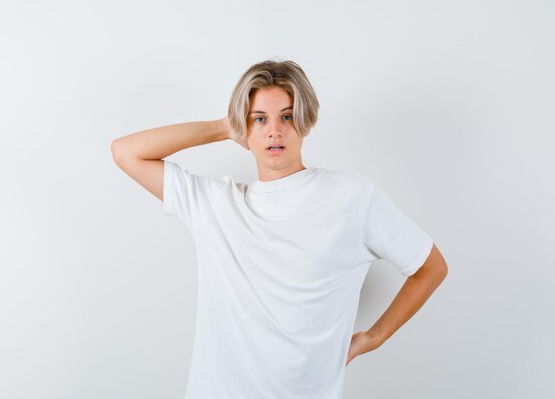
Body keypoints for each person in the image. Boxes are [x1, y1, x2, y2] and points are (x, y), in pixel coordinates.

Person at [111, 59, 448, 399]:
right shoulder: (216, 205)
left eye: (287, 116)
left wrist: (372, 338)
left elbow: (430, 266)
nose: (274, 130)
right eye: (260, 119)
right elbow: (125, 153)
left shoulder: (352, 198)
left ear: (305, 120)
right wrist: (223, 127)